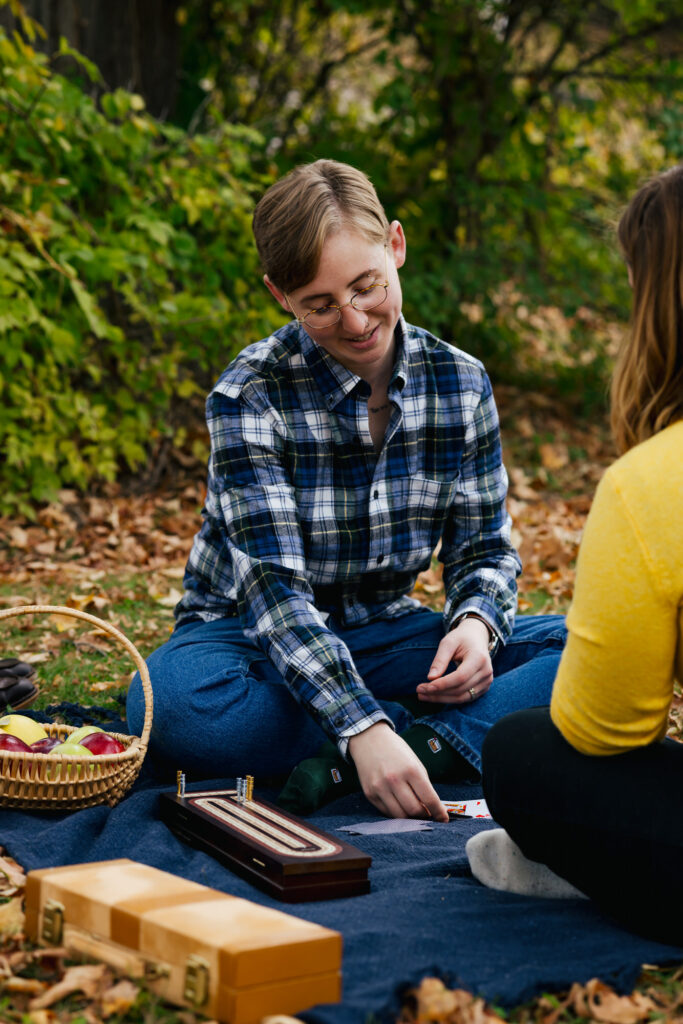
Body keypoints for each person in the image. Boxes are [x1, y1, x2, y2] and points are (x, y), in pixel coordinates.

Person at [127, 159, 566, 821]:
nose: (355, 320)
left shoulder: (461, 382)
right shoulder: (249, 393)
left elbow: (483, 551)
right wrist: (360, 724)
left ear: (395, 245)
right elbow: (273, 594)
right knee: (170, 698)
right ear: (281, 296)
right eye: (320, 305)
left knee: (582, 650)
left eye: (366, 286)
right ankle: (395, 744)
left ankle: (397, 750)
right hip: (249, 649)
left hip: (388, 638)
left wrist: (476, 626)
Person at [467, 165, 683, 942]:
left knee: (524, 751)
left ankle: (595, 865)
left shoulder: (650, 483)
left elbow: (605, 732)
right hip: (392, 648)